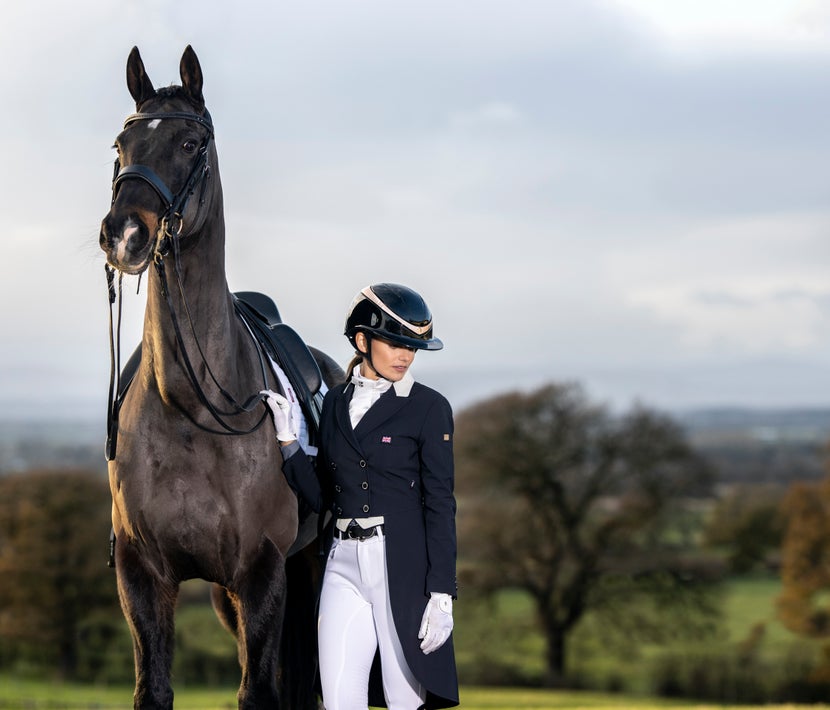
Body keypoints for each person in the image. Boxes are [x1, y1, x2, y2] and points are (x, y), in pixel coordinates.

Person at [262, 283, 458, 710]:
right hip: (342, 564)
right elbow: (322, 495)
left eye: (413, 348)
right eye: (396, 343)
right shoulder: (334, 404)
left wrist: (442, 594)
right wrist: (288, 441)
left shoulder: (428, 407)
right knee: (338, 700)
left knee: (404, 700)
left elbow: (441, 504)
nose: (406, 356)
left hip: (401, 568)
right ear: (362, 340)